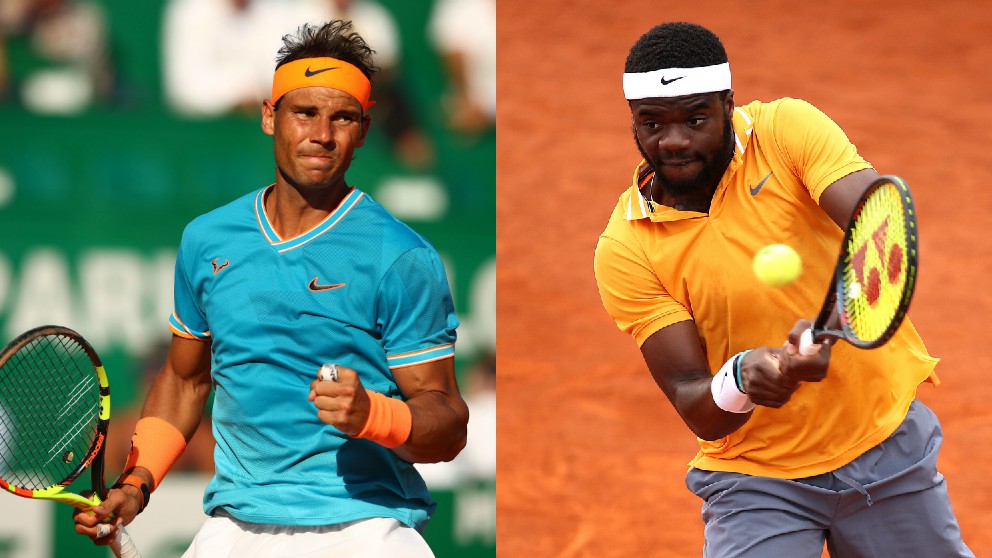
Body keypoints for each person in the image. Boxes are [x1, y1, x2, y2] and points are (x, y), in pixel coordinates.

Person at [74, 20, 468, 556]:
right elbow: (187, 381)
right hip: (235, 526)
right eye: (305, 112)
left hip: (366, 526)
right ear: (269, 116)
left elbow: (447, 423)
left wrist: (374, 414)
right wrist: (135, 483)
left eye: (343, 117)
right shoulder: (206, 240)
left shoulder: (401, 257)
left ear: (365, 130)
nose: (322, 135)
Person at [593, 22, 973, 557]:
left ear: (729, 104)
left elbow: (880, 229)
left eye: (696, 119)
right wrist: (747, 374)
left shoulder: (786, 130)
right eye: (652, 123)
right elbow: (695, 402)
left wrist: (838, 323)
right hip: (757, 480)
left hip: (881, 443)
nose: (673, 142)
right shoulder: (625, 248)